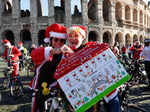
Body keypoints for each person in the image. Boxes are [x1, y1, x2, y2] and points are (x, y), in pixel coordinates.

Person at [64, 25, 121, 112]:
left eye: (76, 36)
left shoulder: (90, 47)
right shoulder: (66, 54)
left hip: (102, 85)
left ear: (82, 37)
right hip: (83, 93)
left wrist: (113, 49)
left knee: (113, 105)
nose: (73, 38)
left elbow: (103, 49)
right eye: (70, 36)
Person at [30, 23, 68, 112]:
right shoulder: (45, 51)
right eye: (56, 39)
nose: (59, 42)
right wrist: (53, 51)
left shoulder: (64, 54)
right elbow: (34, 54)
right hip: (41, 86)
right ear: (50, 40)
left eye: (62, 40)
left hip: (56, 86)